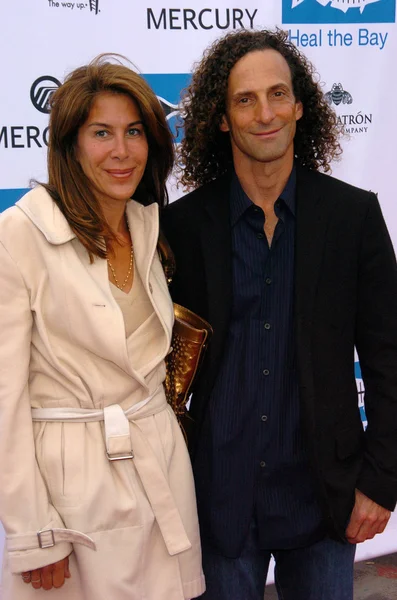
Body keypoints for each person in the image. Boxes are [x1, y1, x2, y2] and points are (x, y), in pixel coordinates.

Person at [161, 29, 397, 600]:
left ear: (299, 106)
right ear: (222, 118)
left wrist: (381, 482)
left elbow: (390, 359)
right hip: (216, 500)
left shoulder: (353, 217)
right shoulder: (184, 226)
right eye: (245, 99)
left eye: (277, 94)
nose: (264, 113)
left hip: (324, 499)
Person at [0, 55, 205, 600]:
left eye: (134, 131)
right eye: (102, 133)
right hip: (73, 497)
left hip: (159, 468)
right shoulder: (18, 236)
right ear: (69, 145)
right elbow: (5, 399)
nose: (122, 151)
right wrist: (33, 532)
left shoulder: (147, 227)